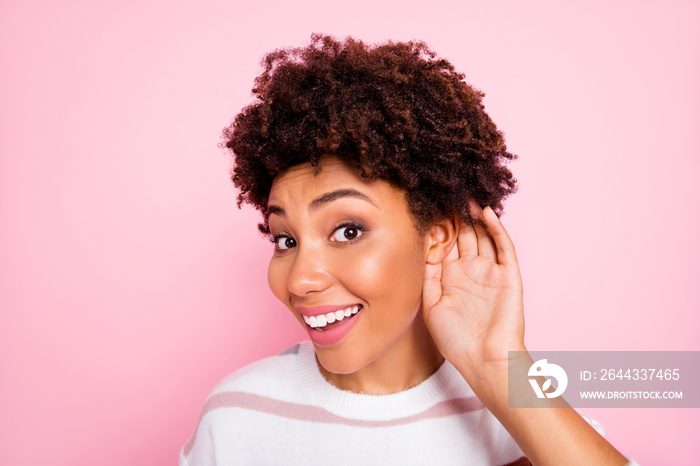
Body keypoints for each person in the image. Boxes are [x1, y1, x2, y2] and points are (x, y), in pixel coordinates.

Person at [180, 34, 637, 465]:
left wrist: (501, 371)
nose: (300, 280)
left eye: (348, 231)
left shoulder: (521, 416)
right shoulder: (237, 418)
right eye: (286, 240)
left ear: (436, 237)